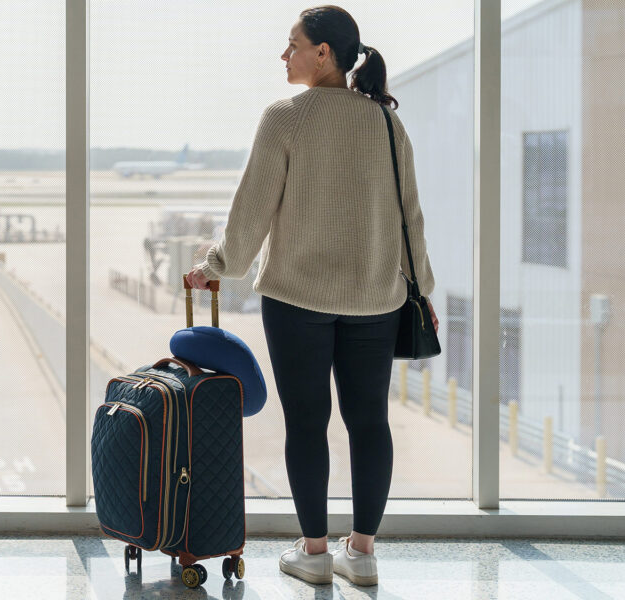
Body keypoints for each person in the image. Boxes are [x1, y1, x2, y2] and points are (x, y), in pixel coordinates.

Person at [186, 5, 438, 588]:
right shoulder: (385, 121)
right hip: (376, 297)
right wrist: (419, 289)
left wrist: (216, 266)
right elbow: (411, 217)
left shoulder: (285, 116)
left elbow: (252, 209)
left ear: (323, 52)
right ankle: (364, 554)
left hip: (297, 296)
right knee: (369, 421)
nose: (284, 55)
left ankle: (317, 553)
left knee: (307, 422)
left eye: (292, 44)